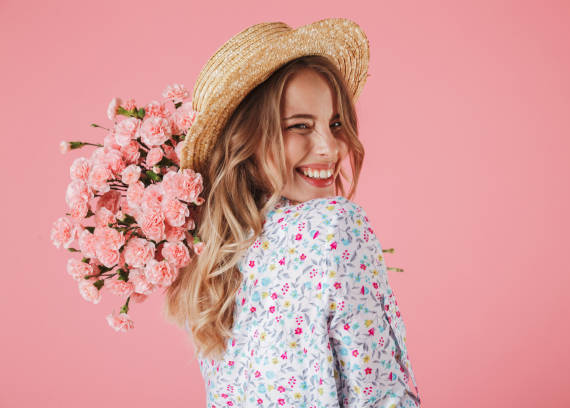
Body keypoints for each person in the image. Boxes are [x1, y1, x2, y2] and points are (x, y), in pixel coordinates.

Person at [163, 18, 422, 407]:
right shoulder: (336, 227)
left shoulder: (211, 262)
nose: (330, 148)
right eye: (300, 126)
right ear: (244, 141)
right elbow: (381, 397)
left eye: (335, 124)